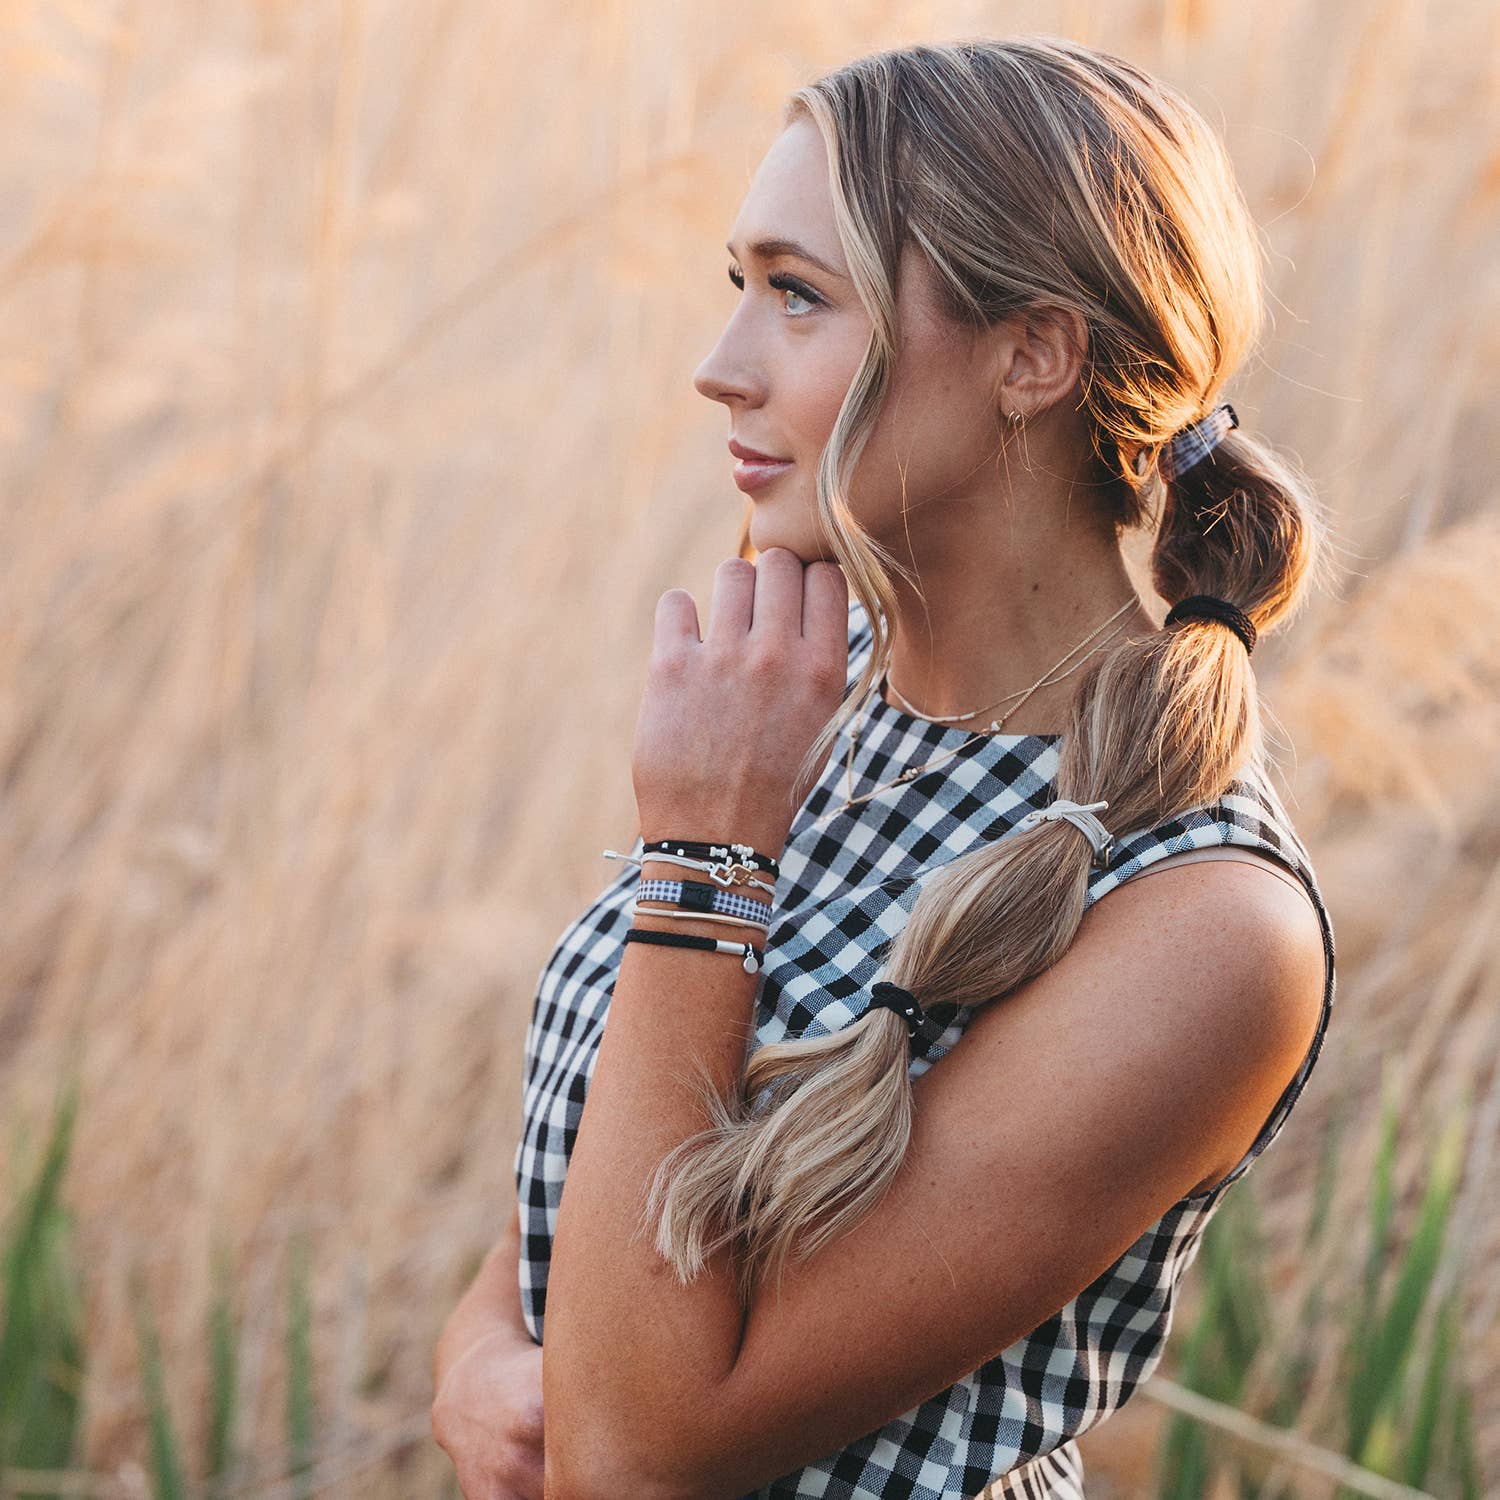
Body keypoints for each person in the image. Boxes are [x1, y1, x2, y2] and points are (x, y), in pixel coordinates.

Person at [433, 34, 1339, 1500]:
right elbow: (589, 1189)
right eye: (740, 286)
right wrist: (474, 1361)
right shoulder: (801, 705)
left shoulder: (1201, 926)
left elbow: (644, 1457)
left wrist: (709, 849)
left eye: (799, 295)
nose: (720, 368)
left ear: (1032, 355)